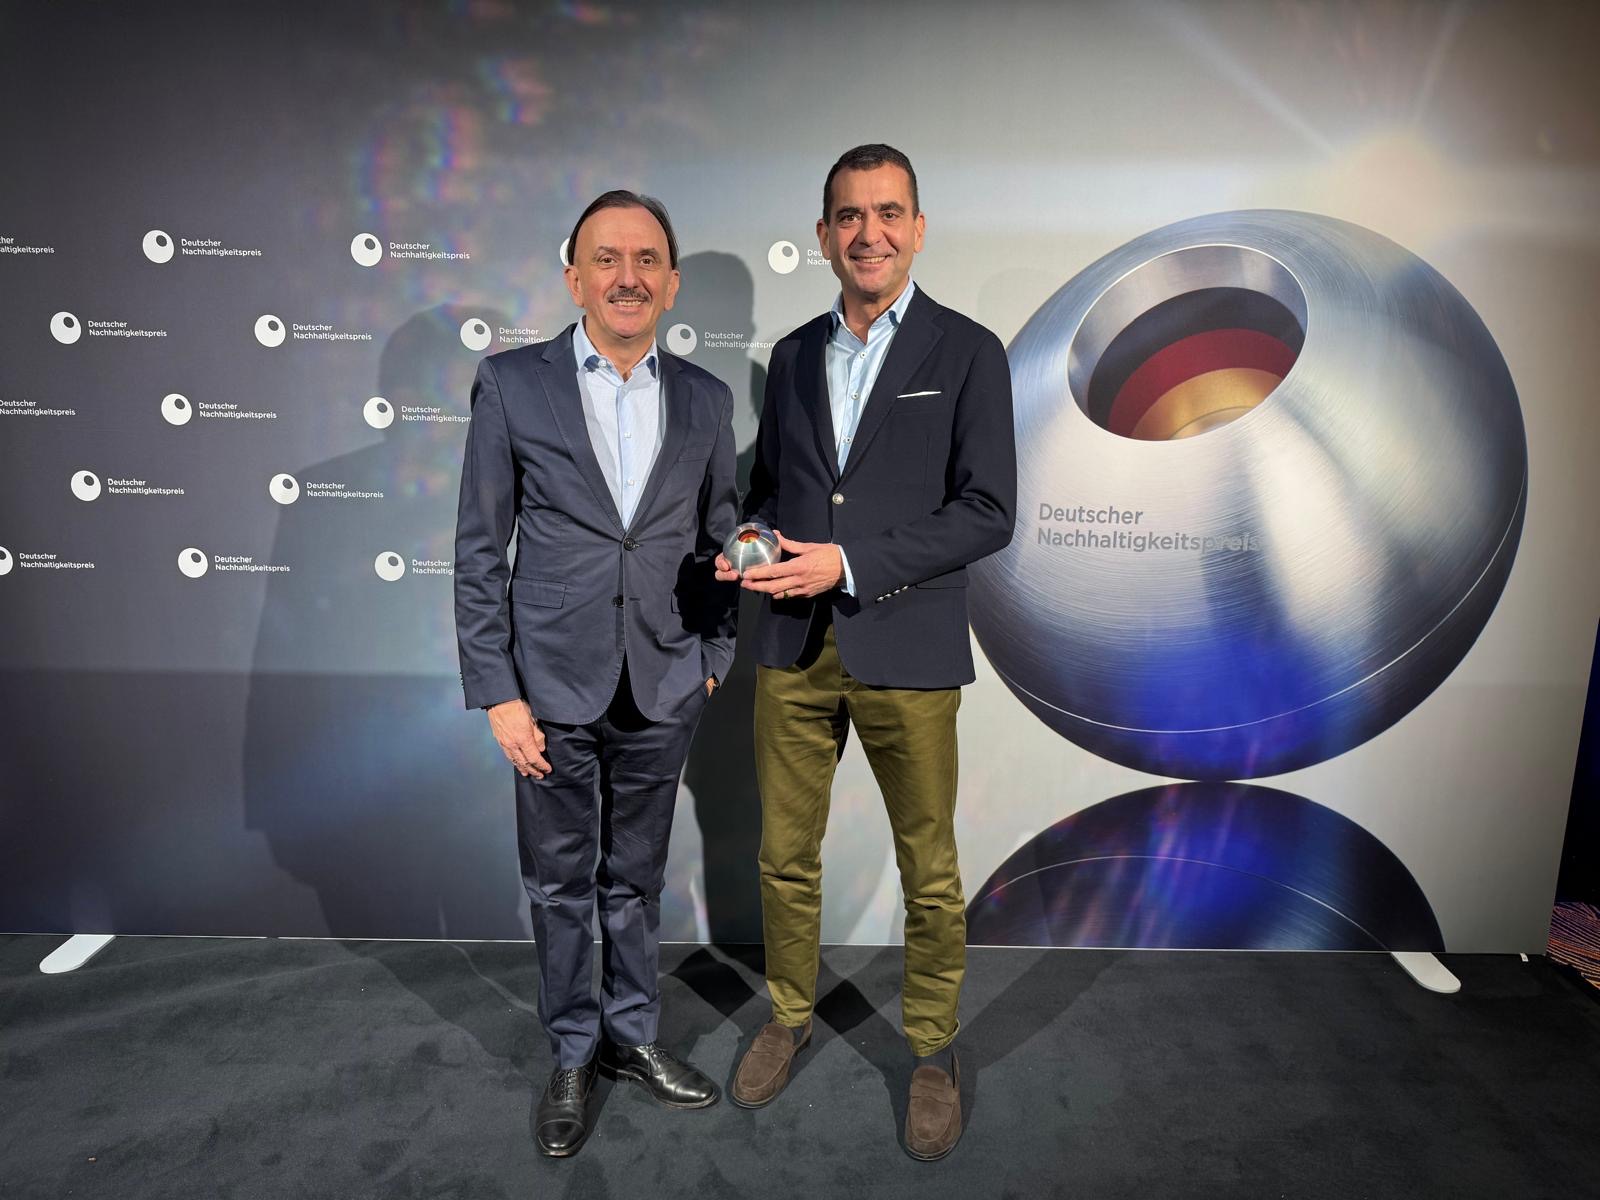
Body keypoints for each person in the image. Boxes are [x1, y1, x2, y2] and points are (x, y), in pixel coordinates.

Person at [718, 144, 1017, 1160]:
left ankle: (931, 1049)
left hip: (908, 644)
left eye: (888, 213)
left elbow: (987, 511)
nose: (869, 232)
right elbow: (773, 489)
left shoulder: (968, 351)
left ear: (918, 229)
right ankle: (788, 1014)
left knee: (927, 868)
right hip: (793, 645)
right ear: (823, 235)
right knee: (782, 856)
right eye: (849, 215)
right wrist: (749, 545)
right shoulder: (796, 354)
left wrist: (846, 563)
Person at [454, 190, 739, 1158]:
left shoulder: (705, 398)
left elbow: (720, 540)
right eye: (607, 259)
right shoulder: (510, 385)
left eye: (646, 260)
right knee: (560, 885)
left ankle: (633, 1035)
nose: (627, 277)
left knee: (638, 881)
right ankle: (573, 1052)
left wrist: (713, 658)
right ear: (574, 277)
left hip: (663, 682)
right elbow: (478, 551)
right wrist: (498, 692)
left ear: (671, 282)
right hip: (547, 689)